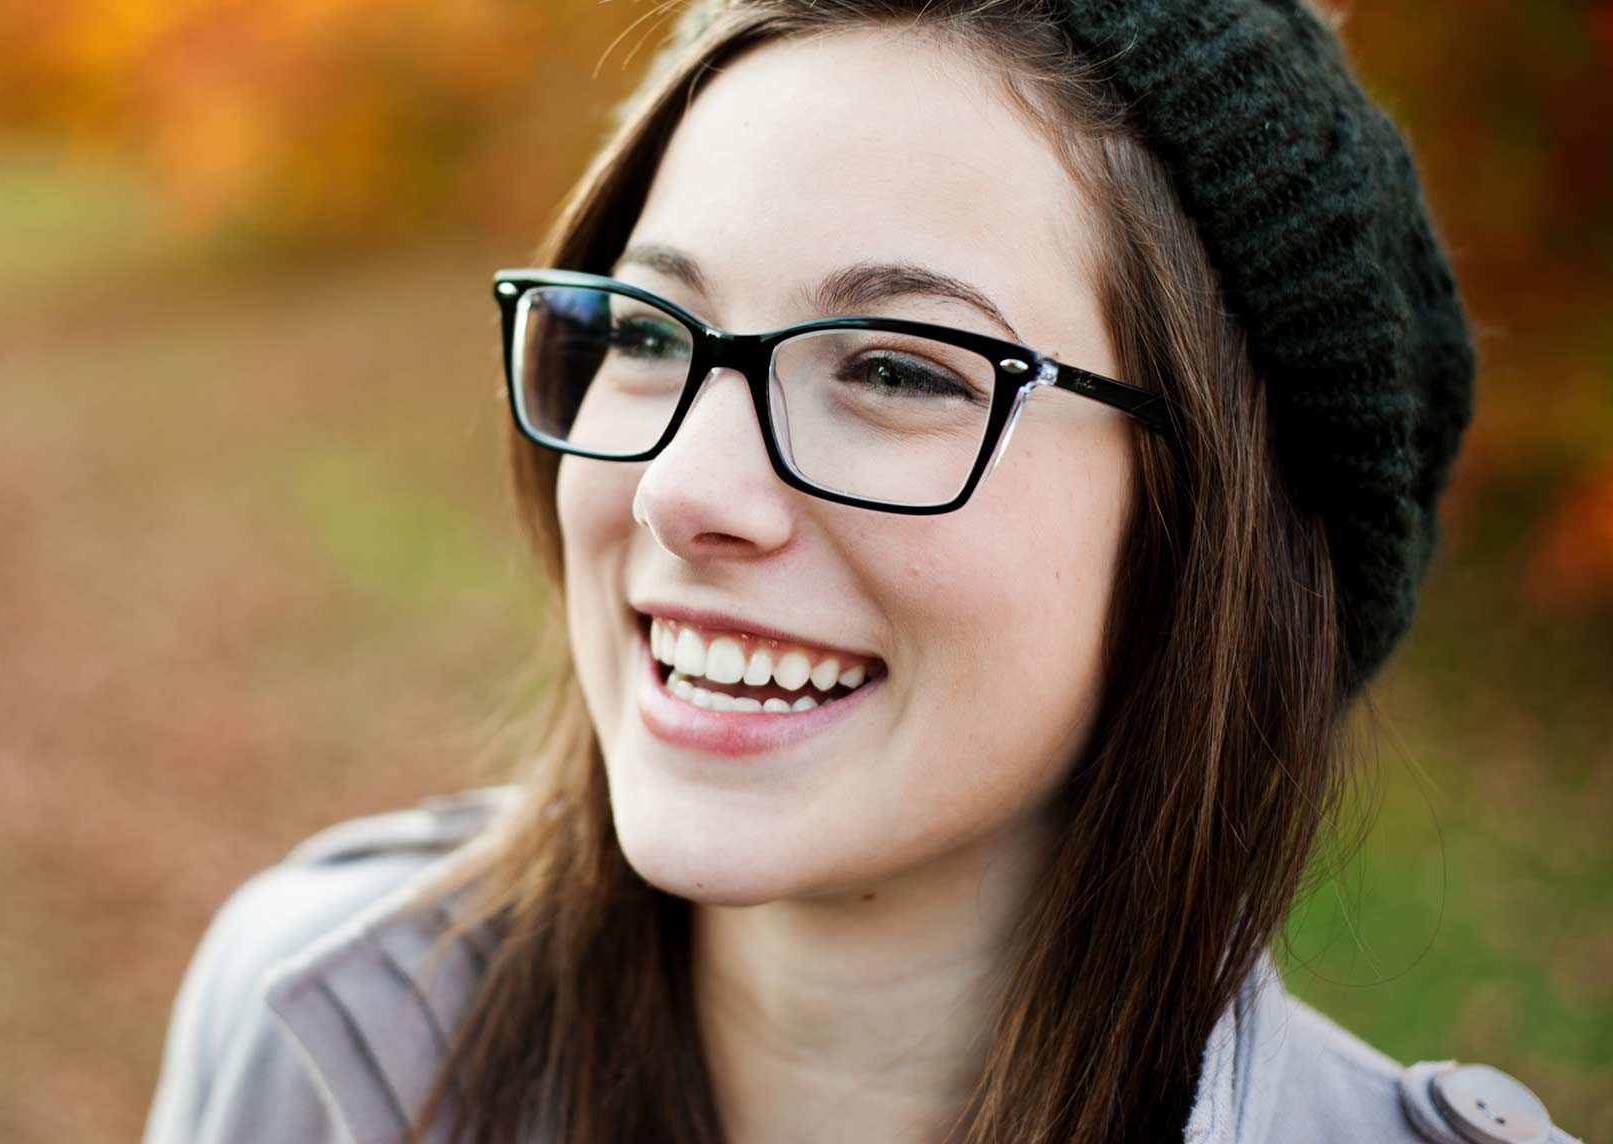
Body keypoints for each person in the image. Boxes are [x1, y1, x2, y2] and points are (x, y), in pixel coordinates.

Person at [145, 2, 1582, 1142]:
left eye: (897, 369)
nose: (682, 489)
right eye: (650, 332)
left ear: (1214, 532)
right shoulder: (313, 1040)